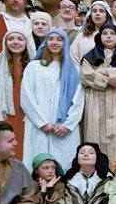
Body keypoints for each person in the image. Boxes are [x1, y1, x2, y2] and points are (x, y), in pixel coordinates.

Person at [20, 29, 85, 173]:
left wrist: (67, 125)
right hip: (39, 125)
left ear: (65, 43)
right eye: (51, 39)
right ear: (46, 42)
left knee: (65, 165)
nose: (54, 42)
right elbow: (26, 97)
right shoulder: (34, 67)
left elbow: (78, 99)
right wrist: (42, 123)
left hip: (64, 129)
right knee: (36, 162)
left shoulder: (73, 69)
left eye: (59, 39)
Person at [80, 22, 116, 155]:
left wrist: (105, 73)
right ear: (99, 37)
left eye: (112, 34)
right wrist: (114, 76)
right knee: (95, 137)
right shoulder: (89, 57)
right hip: (95, 103)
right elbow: (86, 76)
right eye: (104, 33)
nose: (108, 37)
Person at [0, 30, 35, 160]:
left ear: (27, 43)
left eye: (20, 39)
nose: (15, 42)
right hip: (3, 120)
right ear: (5, 43)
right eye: (11, 39)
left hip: (28, 120)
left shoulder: (34, 67)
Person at [70, 0, 116, 64]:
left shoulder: (114, 36)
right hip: (83, 73)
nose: (97, 14)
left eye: (101, 11)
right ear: (90, 14)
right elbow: (73, 59)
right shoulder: (81, 36)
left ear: (107, 15)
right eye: (94, 11)